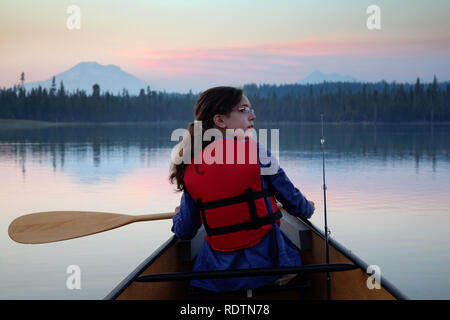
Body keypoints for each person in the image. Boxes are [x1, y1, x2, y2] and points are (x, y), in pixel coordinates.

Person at [169, 86, 315, 293]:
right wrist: (308, 208)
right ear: (220, 120)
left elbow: (185, 231)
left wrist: (178, 217)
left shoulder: (192, 166)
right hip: (270, 268)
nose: (253, 116)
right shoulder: (256, 151)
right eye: (244, 110)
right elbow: (293, 202)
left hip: (215, 278)